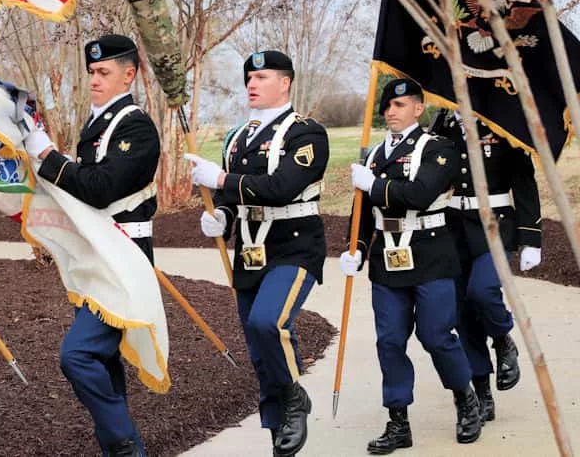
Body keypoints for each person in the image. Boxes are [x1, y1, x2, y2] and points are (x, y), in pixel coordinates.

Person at [183, 50, 328, 457]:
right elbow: (232, 197)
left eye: (262, 76)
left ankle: (294, 397)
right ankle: (278, 427)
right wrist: (222, 217)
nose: (251, 83)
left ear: (284, 83)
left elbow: (282, 186)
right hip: (250, 251)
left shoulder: (307, 134)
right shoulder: (240, 137)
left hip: (294, 246)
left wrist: (222, 178)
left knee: (268, 324)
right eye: (249, 76)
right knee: (259, 347)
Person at [21, 34, 160, 457]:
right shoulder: (96, 125)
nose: (95, 79)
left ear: (129, 74)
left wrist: (49, 156)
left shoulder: (134, 125)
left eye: (104, 72)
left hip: (125, 260)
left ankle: (124, 444)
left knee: (78, 355)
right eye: (92, 72)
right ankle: (119, 444)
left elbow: (100, 189)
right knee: (102, 358)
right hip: (99, 258)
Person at [340, 78, 483, 453]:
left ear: (419, 108)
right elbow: (363, 212)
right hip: (387, 257)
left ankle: (465, 397)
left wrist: (373, 185)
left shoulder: (439, 148)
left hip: (430, 253)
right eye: (387, 106)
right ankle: (398, 421)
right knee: (389, 341)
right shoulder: (372, 156)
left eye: (400, 105)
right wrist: (354, 247)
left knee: (436, 336)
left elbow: (420, 194)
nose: (391, 112)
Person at [430, 109, 541, 421]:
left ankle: (504, 340)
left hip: (496, 225)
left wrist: (531, 236)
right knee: (462, 313)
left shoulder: (500, 119)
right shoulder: (443, 123)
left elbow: (523, 178)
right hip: (453, 227)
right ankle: (482, 391)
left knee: (483, 290)